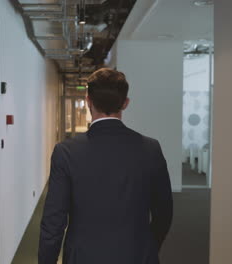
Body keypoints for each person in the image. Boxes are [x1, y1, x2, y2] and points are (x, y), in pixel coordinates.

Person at [38, 68, 173, 264]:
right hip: (138, 255)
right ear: (125, 103)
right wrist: (148, 247)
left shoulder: (66, 152)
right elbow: (164, 213)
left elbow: (53, 221)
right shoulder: (151, 149)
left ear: (88, 101)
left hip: (83, 257)